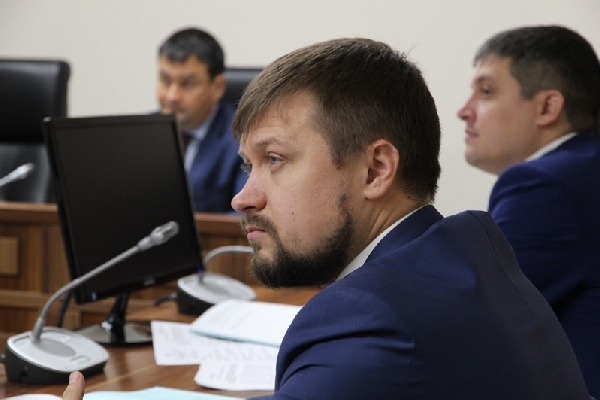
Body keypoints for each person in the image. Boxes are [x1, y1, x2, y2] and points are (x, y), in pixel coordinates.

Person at [63, 38, 590, 399]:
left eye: (274, 159)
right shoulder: (466, 250)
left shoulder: (369, 318)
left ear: (375, 170)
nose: (243, 198)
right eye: (248, 165)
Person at [457, 25, 600, 398]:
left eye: (486, 92)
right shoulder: (584, 171)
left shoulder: (546, 185)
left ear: (547, 107)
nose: (464, 111)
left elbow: (473, 321)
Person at [157, 27, 247, 212]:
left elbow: (246, 214)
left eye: (187, 84)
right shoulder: (138, 133)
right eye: (165, 80)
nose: (172, 96)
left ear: (218, 87)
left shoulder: (242, 139)